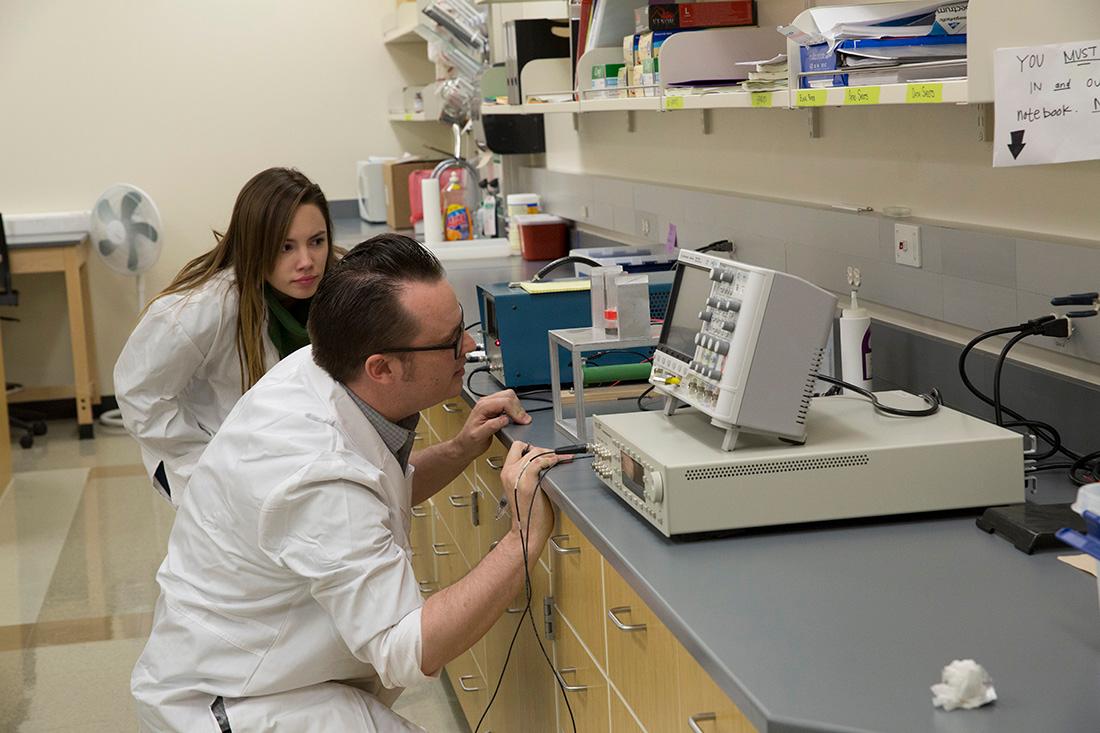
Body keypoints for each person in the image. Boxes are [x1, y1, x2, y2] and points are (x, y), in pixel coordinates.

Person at [131, 233, 562, 732]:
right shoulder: (313, 471)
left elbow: (375, 492)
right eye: (450, 342)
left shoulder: (320, 368)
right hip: (241, 704)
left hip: (275, 677)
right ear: (381, 368)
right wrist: (521, 540)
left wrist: (459, 449)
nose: (469, 347)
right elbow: (405, 647)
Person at [114, 167, 336, 504]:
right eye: (285, 247)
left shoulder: (339, 287)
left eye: (316, 242)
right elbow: (139, 392)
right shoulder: (204, 308)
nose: (307, 261)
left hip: (292, 459)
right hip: (215, 470)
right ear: (255, 246)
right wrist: (203, 467)